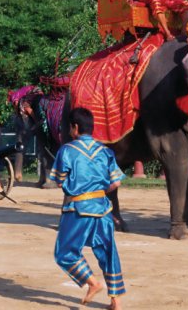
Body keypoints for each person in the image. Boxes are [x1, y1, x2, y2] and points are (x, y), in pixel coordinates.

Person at [49, 108, 126, 309]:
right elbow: (116, 182)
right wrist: (98, 192)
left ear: (74, 127)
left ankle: (92, 282)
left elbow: (58, 181)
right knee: (108, 252)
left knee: (64, 252)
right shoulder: (106, 151)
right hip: (103, 208)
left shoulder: (67, 150)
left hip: (78, 209)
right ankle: (116, 301)